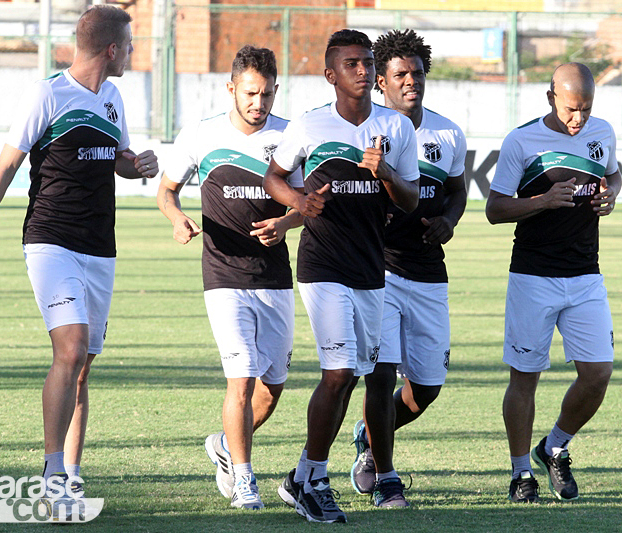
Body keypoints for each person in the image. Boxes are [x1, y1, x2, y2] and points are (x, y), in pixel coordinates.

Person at [0, 4, 157, 517]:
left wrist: (138, 165)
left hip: (100, 247)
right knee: (71, 348)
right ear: (111, 49)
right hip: (50, 240)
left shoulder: (113, 99)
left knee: (82, 366)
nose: (133, 52)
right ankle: (52, 474)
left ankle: (72, 474)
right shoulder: (47, 94)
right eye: (129, 45)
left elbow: (117, 160)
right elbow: (3, 168)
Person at [263, 29, 419, 523]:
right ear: (330, 75)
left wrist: (387, 174)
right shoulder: (310, 125)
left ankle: (299, 476)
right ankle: (314, 479)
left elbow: (411, 199)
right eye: (351, 63)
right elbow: (273, 177)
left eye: (368, 62)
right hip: (322, 266)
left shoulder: (396, 127)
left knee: (352, 376)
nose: (363, 70)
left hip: (371, 271)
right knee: (337, 372)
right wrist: (298, 200)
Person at [157, 45, 303, 511]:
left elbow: (306, 204)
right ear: (231, 89)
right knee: (240, 379)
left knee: (271, 387)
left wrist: (286, 223)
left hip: (274, 277)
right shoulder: (201, 134)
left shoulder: (290, 136)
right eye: (250, 93)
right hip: (222, 276)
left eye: (267, 94)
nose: (258, 103)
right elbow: (166, 191)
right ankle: (244, 479)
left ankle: (224, 444)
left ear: (277, 90)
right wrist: (177, 218)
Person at [485, 62, 621, 503]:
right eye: (570, 109)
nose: (578, 118)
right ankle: (520, 473)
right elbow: (494, 209)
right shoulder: (521, 141)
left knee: (598, 373)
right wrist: (542, 200)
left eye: (586, 108)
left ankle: (554, 446)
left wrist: (612, 193)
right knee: (525, 378)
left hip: (585, 275)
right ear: (550, 98)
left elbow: (613, 172)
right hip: (533, 276)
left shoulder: (602, 132)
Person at [348, 29, 467, 508]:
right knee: (380, 375)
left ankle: (369, 435)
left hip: (428, 272)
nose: (410, 81)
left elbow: (457, 191)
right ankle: (386, 477)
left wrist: (449, 221)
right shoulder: (365, 131)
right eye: (400, 74)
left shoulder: (447, 133)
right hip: (378, 271)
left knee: (427, 388)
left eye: (417, 73)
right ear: (381, 81)